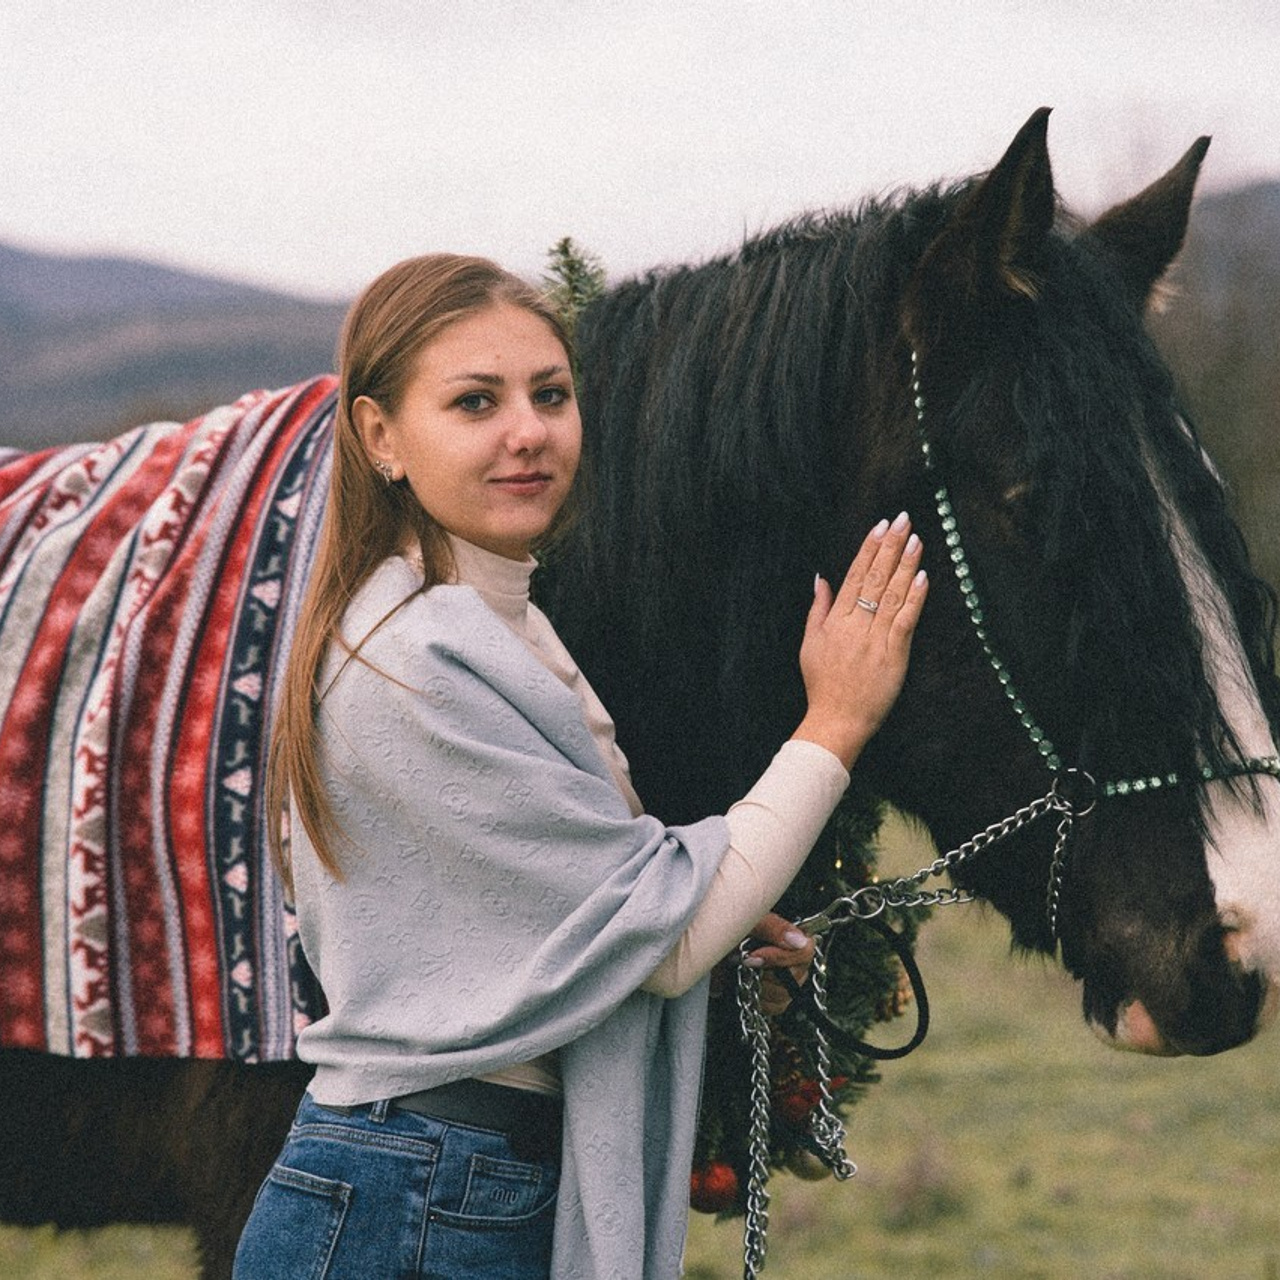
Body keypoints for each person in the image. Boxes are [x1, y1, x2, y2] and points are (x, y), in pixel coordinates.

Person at [232, 254, 928, 1280]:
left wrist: (726, 949)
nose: (529, 430)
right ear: (381, 437)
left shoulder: (501, 630)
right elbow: (663, 934)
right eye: (476, 401)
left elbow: (572, 934)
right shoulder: (413, 661)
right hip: (419, 1195)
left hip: (447, 1177)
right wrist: (836, 718)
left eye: (549, 395)